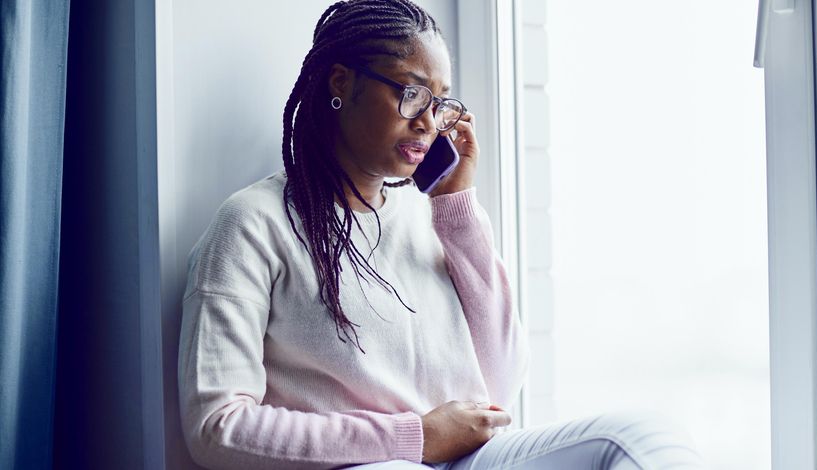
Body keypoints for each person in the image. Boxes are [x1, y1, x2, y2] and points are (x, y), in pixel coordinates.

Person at [177, 1, 706, 468]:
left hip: (469, 459)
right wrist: (413, 438)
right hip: (363, 464)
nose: (429, 121)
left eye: (440, 102)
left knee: (639, 439)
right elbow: (216, 428)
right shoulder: (253, 224)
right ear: (342, 83)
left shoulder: (434, 219)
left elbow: (500, 382)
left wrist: (457, 209)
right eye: (411, 94)